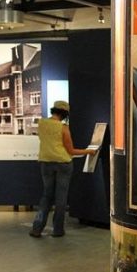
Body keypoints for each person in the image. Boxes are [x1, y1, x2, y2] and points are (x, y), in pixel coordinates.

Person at [30, 100, 95, 238]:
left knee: (46, 196)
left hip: (45, 163)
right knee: (61, 198)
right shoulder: (63, 128)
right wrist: (88, 151)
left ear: (53, 110)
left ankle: (36, 229)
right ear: (65, 114)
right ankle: (58, 230)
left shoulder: (41, 123)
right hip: (63, 165)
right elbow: (70, 151)